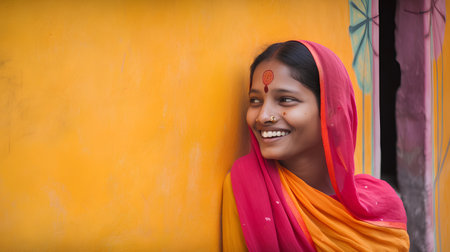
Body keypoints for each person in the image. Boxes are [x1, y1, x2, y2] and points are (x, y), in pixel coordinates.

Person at [222, 40, 410, 251]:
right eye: (255, 101)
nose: (263, 116)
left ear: (330, 111)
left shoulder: (382, 208)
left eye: (285, 99)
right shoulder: (246, 188)